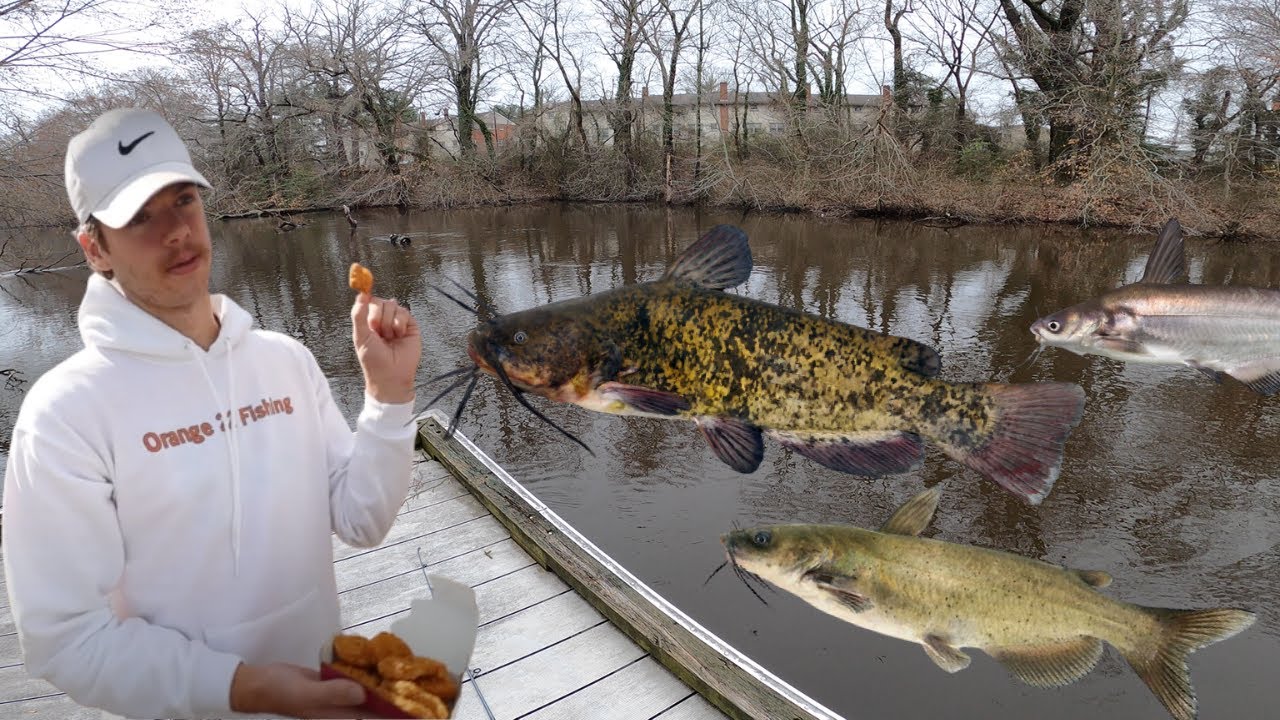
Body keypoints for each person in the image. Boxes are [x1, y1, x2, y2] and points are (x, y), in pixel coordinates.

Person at [1, 107, 422, 719]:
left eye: (183, 202)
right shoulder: (65, 414)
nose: (174, 230)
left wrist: (389, 398)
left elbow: (362, 520)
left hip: (327, 695)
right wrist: (241, 688)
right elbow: (66, 641)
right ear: (95, 247)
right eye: (139, 217)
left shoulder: (285, 360)